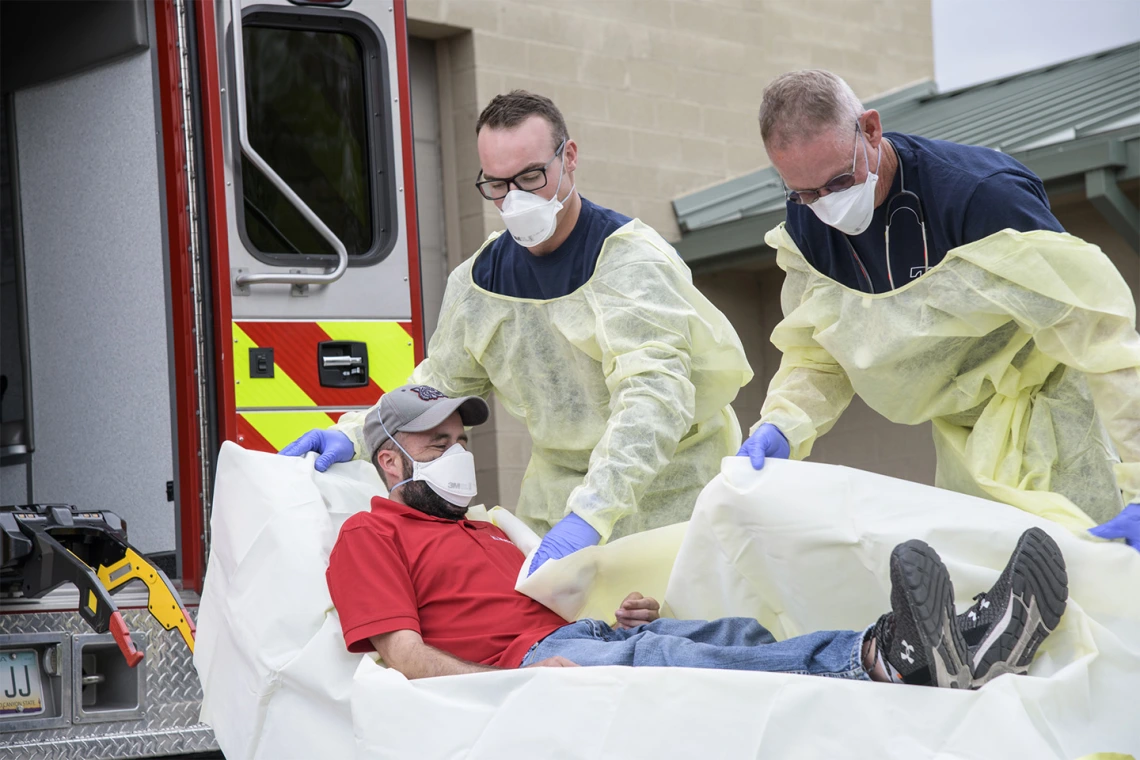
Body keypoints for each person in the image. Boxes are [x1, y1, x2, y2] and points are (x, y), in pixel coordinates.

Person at [325, 383, 1069, 689]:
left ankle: (958, 640)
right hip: (539, 668)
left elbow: (526, 612)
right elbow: (407, 657)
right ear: (388, 459)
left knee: (734, 633)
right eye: (435, 444)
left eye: (459, 437)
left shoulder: (486, 533)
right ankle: (893, 657)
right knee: (675, 659)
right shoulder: (371, 534)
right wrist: (518, 688)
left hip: (580, 638)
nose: (456, 453)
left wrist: (612, 623)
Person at [283, 90, 753, 574]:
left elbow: (653, 401)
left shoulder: (631, 263)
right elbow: (439, 386)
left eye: (531, 177)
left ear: (569, 158)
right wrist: (358, 434)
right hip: (555, 504)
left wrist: (592, 515)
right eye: (498, 184)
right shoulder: (479, 282)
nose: (516, 199)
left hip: (673, 500)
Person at [738, 69, 1140, 550]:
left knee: (1082, 569)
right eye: (803, 192)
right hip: (960, 438)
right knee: (988, 586)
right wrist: (784, 423)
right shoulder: (807, 228)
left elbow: (1104, 342)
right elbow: (819, 349)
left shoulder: (978, 197)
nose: (825, 206)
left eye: (839, 181)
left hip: (1053, 418)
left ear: (870, 129)